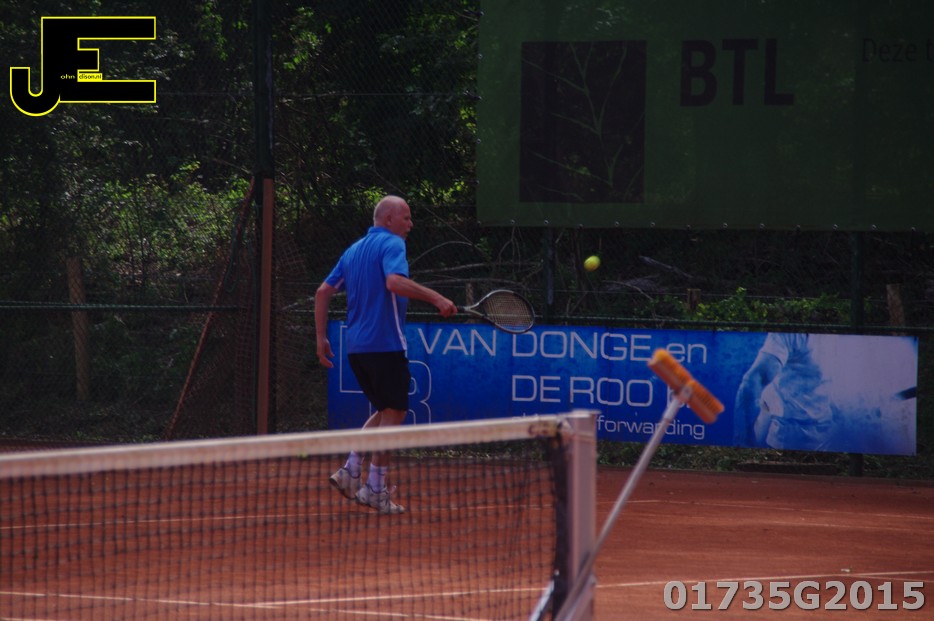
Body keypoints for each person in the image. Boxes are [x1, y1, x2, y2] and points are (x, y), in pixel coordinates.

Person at [315, 195, 457, 514]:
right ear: (389, 219)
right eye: (406, 218)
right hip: (385, 345)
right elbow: (394, 282)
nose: (410, 225)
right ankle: (375, 489)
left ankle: (351, 470)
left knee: (385, 411)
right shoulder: (393, 243)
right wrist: (436, 298)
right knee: (394, 415)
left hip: (357, 350)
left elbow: (323, 291)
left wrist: (321, 337)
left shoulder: (353, 251)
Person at [733, 332, 917, 454]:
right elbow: (752, 382)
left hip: (830, 442)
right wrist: (743, 441)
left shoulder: (851, 345)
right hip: (784, 442)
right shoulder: (788, 337)